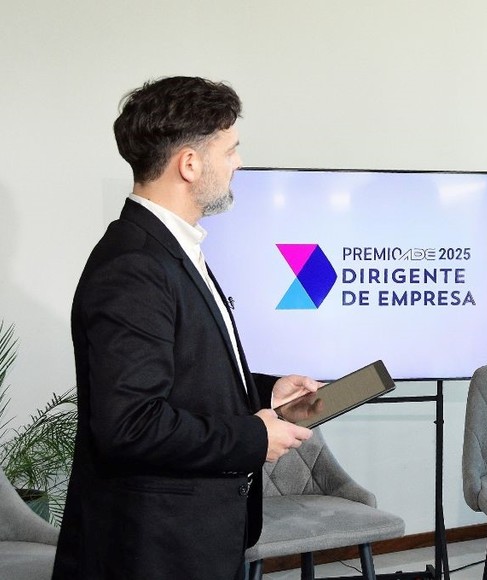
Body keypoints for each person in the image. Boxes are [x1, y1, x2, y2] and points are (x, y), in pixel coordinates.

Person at [53, 76, 322, 580]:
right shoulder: (133, 265)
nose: (238, 163)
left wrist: (263, 389)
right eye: (231, 150)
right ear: (190, 163)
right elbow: (130, 424)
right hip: (154, 549)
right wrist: (251, 436)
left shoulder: (169, 247)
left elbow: (185, 372)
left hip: (189, 538)